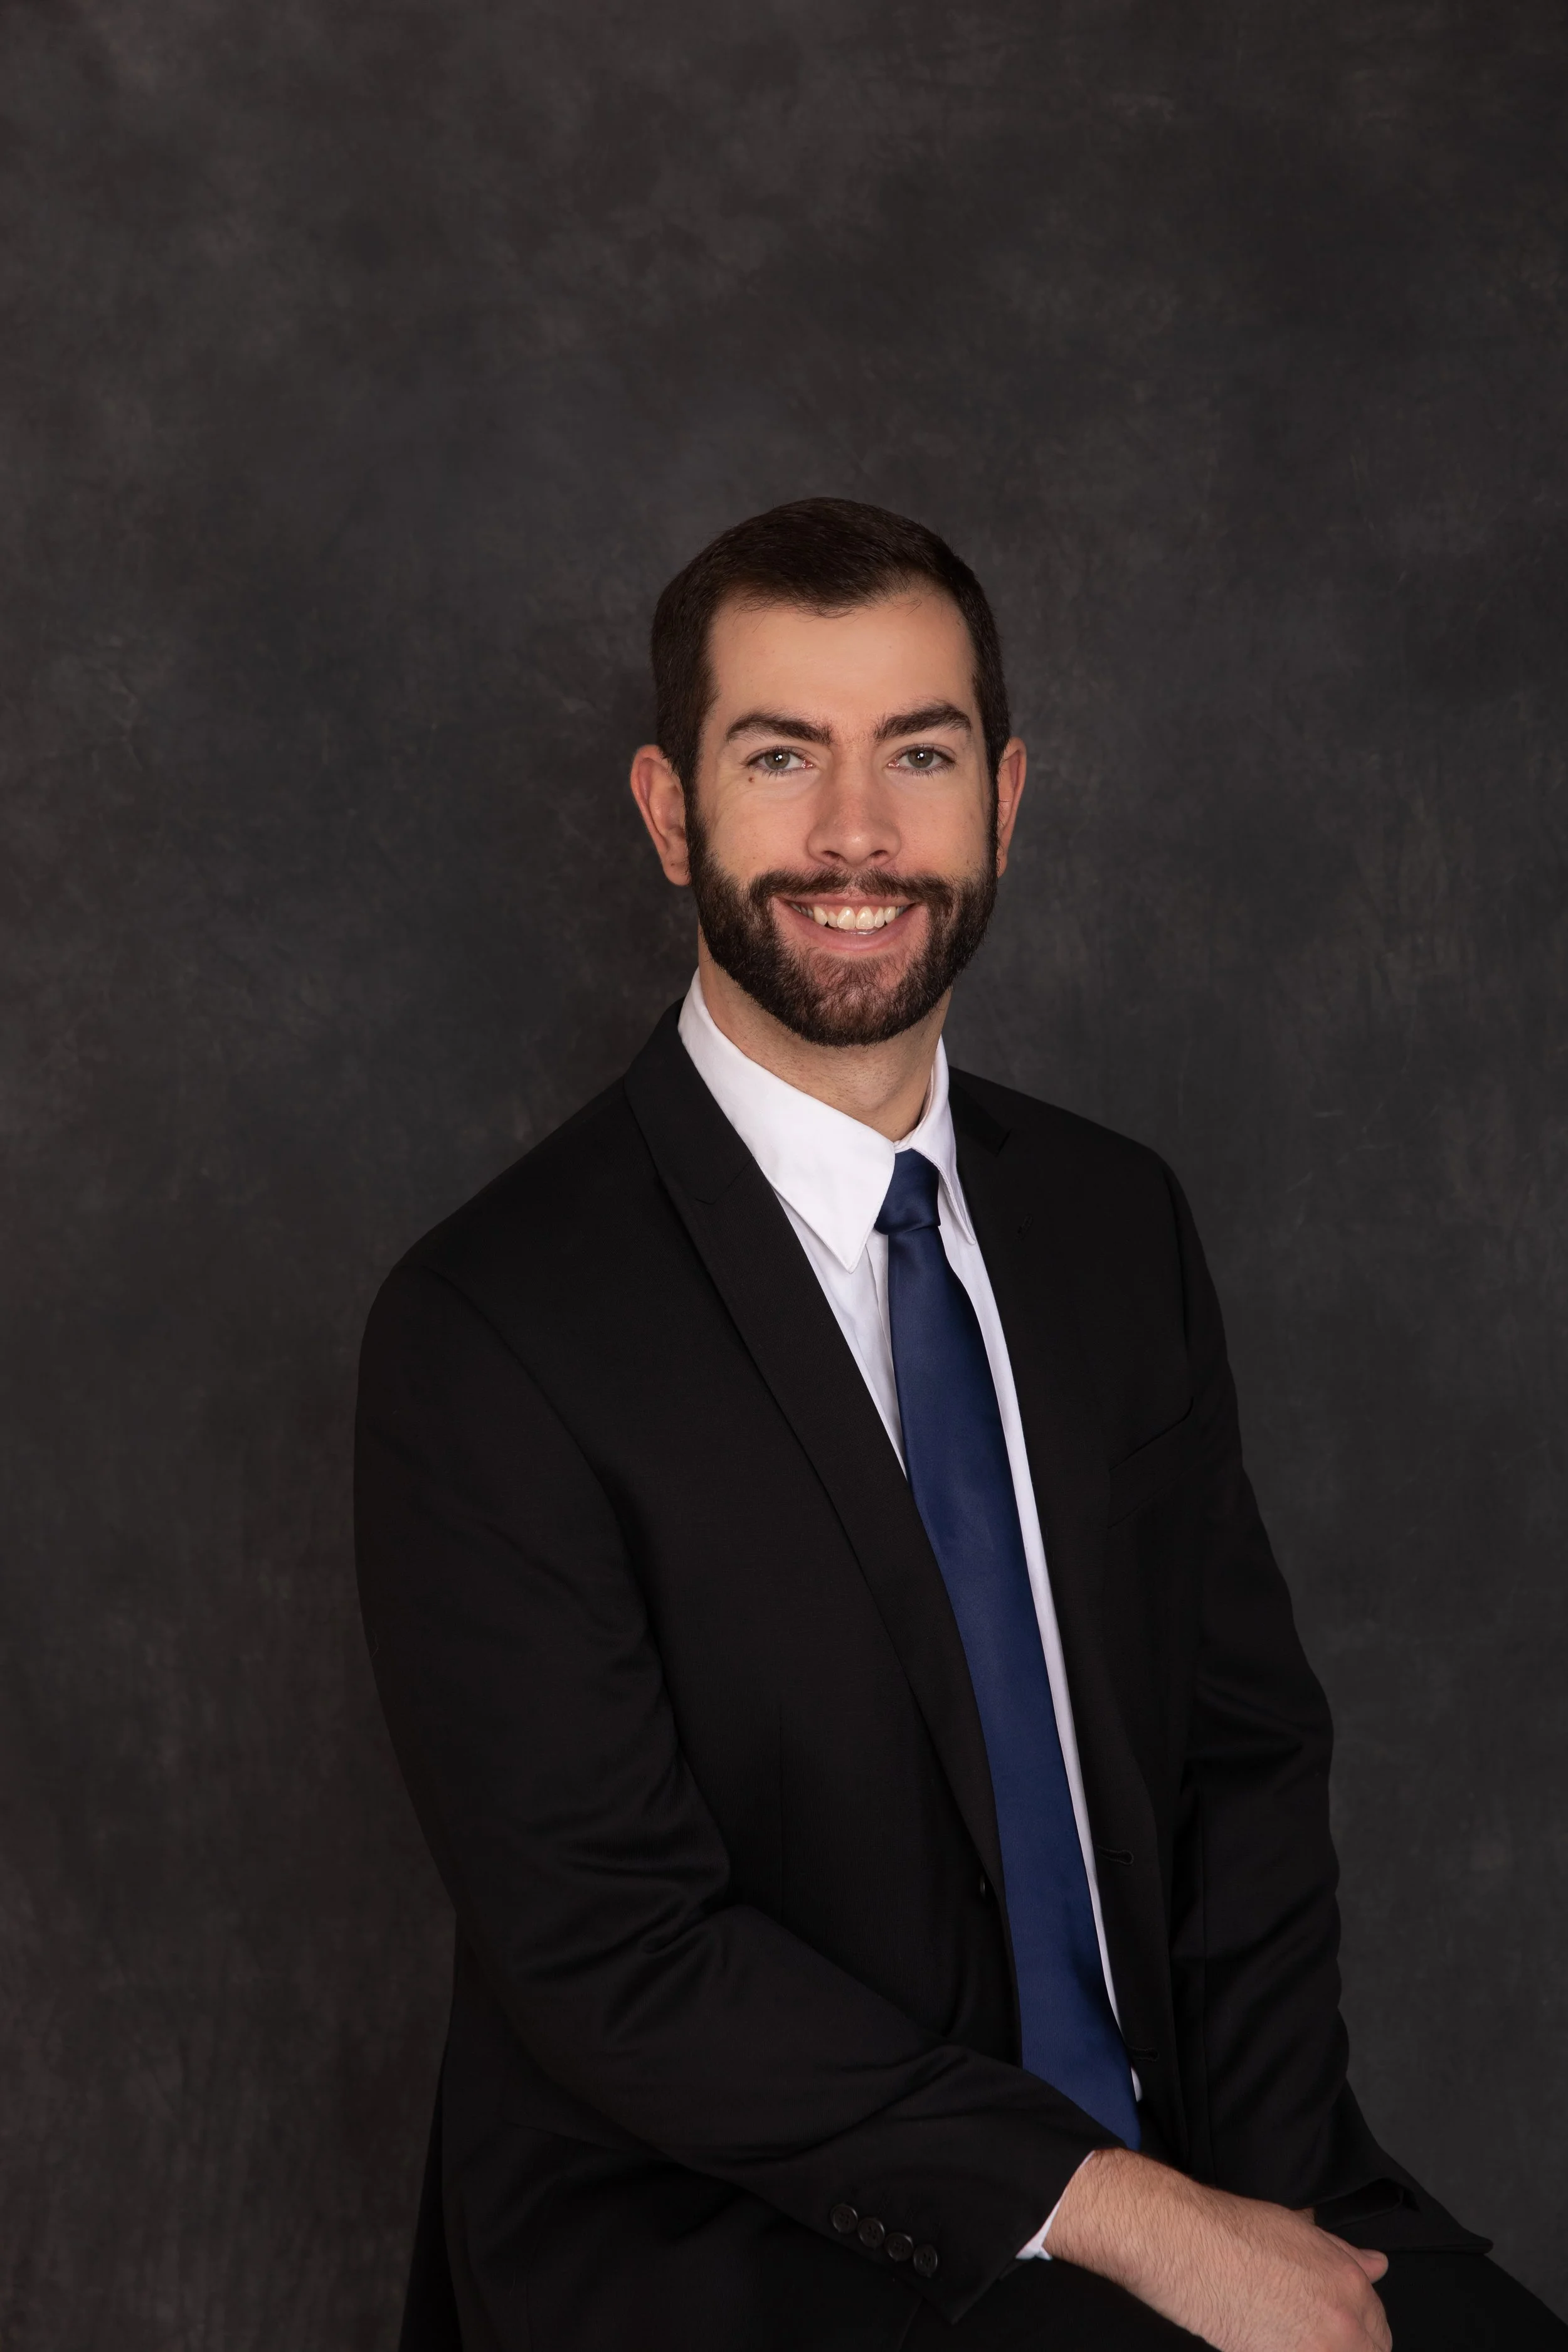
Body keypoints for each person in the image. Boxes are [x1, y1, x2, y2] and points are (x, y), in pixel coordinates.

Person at [356, 499, 1563, 2351]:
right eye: (782, 757)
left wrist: (1263, 2199)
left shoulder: (1111, 1224)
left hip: (1192, 2165)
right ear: (671, 810)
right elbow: (620, 1953)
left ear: (1001, 798)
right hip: (741, 2236)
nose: (857, 834)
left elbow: (1236, 1762)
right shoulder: (490, 1328)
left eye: (914, 754)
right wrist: (1135, 2224)